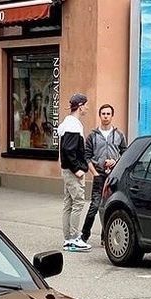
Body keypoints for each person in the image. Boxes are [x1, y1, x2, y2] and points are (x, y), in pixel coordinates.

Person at [80, 104, 127, 244]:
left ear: (112, 116)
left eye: (108, 114)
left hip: (113, 176)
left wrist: (115, 161)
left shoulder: (119, 135)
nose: (106, 116)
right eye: (103, 114)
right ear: (100, 116)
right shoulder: (92, 136)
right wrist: (94, 173)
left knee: (110, 205)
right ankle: (84, 236)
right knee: (94, 205)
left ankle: (104, 237)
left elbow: (125, 153)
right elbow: (86, 156)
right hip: (99, 174)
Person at [58, 92, 91, 252]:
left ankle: (68, 238)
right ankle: (74, 238)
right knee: (78, 202)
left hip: (67, 170)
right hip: (72, 171)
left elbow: (65, 150)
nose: (87, 108)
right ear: (80, 106)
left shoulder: (67, 123)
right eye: (86, 105)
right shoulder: (73, 124)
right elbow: (68, 150)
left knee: (69, 203)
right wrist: (77, 168)